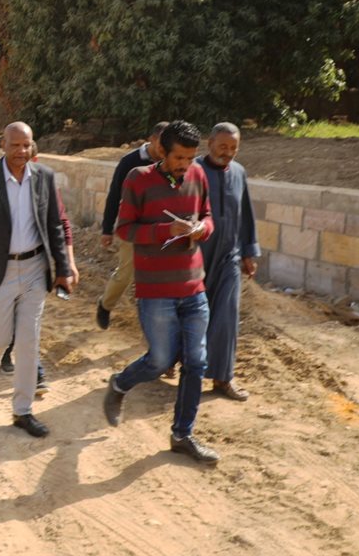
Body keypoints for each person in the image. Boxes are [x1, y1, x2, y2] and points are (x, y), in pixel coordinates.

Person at [103, 120, 219, 464]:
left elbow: (208, 216)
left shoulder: (198, 175)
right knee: (159, 360)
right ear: (162, 152)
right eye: (179, 157)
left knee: (196, 362)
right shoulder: (138, 179)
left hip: (193, 285)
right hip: (155, 290)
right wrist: (164, 230)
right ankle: (120, 384)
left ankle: (182, 434)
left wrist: (202, 229)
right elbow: (125, 229)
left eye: (190, 158)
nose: (185, 164)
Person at [0, 122, 73, 438]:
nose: (21, 151)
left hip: (35, 268)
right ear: (2, 145)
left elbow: (54, 225)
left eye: (26, 145)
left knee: (28, 341)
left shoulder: (44, 176)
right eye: (15, 145)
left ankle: (22, 411)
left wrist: (63, 268)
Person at [0, 141, 80, 396]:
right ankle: (3, 350)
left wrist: (68, 263)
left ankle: (35, 373)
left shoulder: (45, 185)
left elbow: (62, 224)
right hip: (4, 266)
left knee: (29, 321)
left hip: (35, 265)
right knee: (9, 319)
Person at [198, 123, 260, 401]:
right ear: (210, 143)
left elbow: (245, 215)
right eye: (223, 146)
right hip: (196, 256)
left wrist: (248, 252)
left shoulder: (239, 172)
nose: (228, 152)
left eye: (233, 148)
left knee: (227, 316)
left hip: (228, 257)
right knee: (189, 314)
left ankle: (223, 378)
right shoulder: (193, 170)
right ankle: (170, 360)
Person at [96, 122, 168, 329]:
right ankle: (105, 305)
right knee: (126, 273)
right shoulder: (130, 162)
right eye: (162, 143)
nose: (165, 148)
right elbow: (114, 195)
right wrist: (107, 229)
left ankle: (154, 320)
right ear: (152, 139)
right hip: (132, 226)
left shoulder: (170, 161)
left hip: (160, 227)